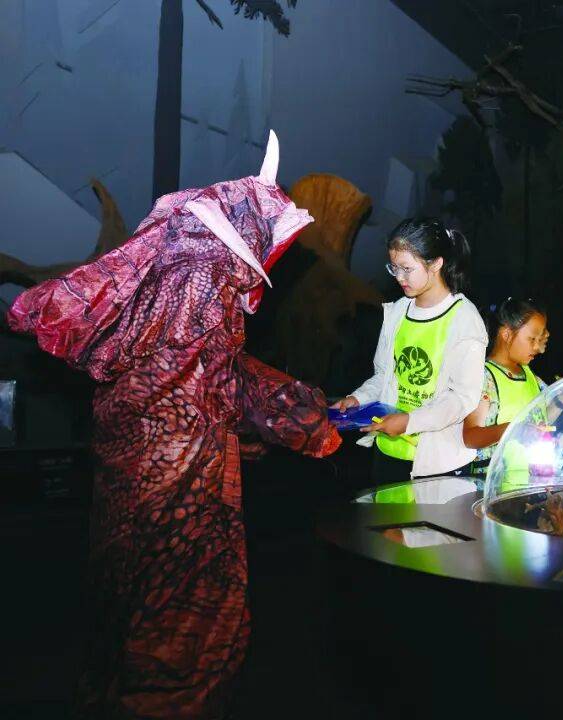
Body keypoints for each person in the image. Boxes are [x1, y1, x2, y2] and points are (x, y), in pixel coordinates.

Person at [6, 131, 342, 718]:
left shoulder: (163, 286)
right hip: (181, 492)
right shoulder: (204, 285)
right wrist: (313, 422)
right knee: (180, 627)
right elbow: (222, 379)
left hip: (131, 482)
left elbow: (194, 378)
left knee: (123, 605)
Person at [333, 217, 487, 485]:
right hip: (389, 451)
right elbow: (384, 376)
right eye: (394, 268)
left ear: (436, 264)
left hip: (437, 462)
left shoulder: (464, 320)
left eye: (406, 268)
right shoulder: (398, 311)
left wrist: (409, 421)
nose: (399, 277)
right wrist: (358, 399)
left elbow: (462, 398)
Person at [463, 297, 548, 473]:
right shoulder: (484, 377)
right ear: (507, 334)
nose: (537, 347)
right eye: (532, 339)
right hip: (493, 481)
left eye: (539, 340)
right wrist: (512, 430)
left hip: (530, 480)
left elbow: (546, 414)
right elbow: (470, 437)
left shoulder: (530, 376)